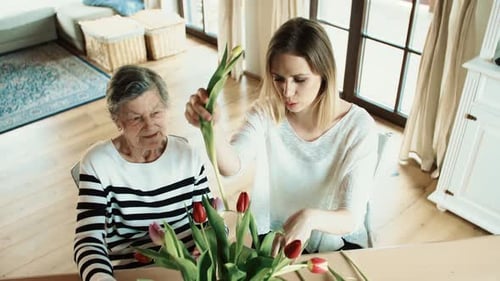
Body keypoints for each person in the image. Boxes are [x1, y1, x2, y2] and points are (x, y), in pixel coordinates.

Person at [185, 17, 377, 254]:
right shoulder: (267, 112)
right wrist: (212, 128)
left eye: (299, 80)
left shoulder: (358, 127)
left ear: (325, 74)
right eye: (278, 78)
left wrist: (308, 217)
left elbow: (351, 218)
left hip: (332, 242)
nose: (287, 91)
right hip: (274, 237)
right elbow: (231, 166)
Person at [74, 65, 212, 281]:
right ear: (117, 120)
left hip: (190, 271)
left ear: (166, 108)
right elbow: (88, 241)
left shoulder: (188, 156)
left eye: (156, 113)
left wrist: (207, 248)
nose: (150, 125)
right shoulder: (98, 164)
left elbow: (210, 219)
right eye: (136, 118)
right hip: (132, 272)